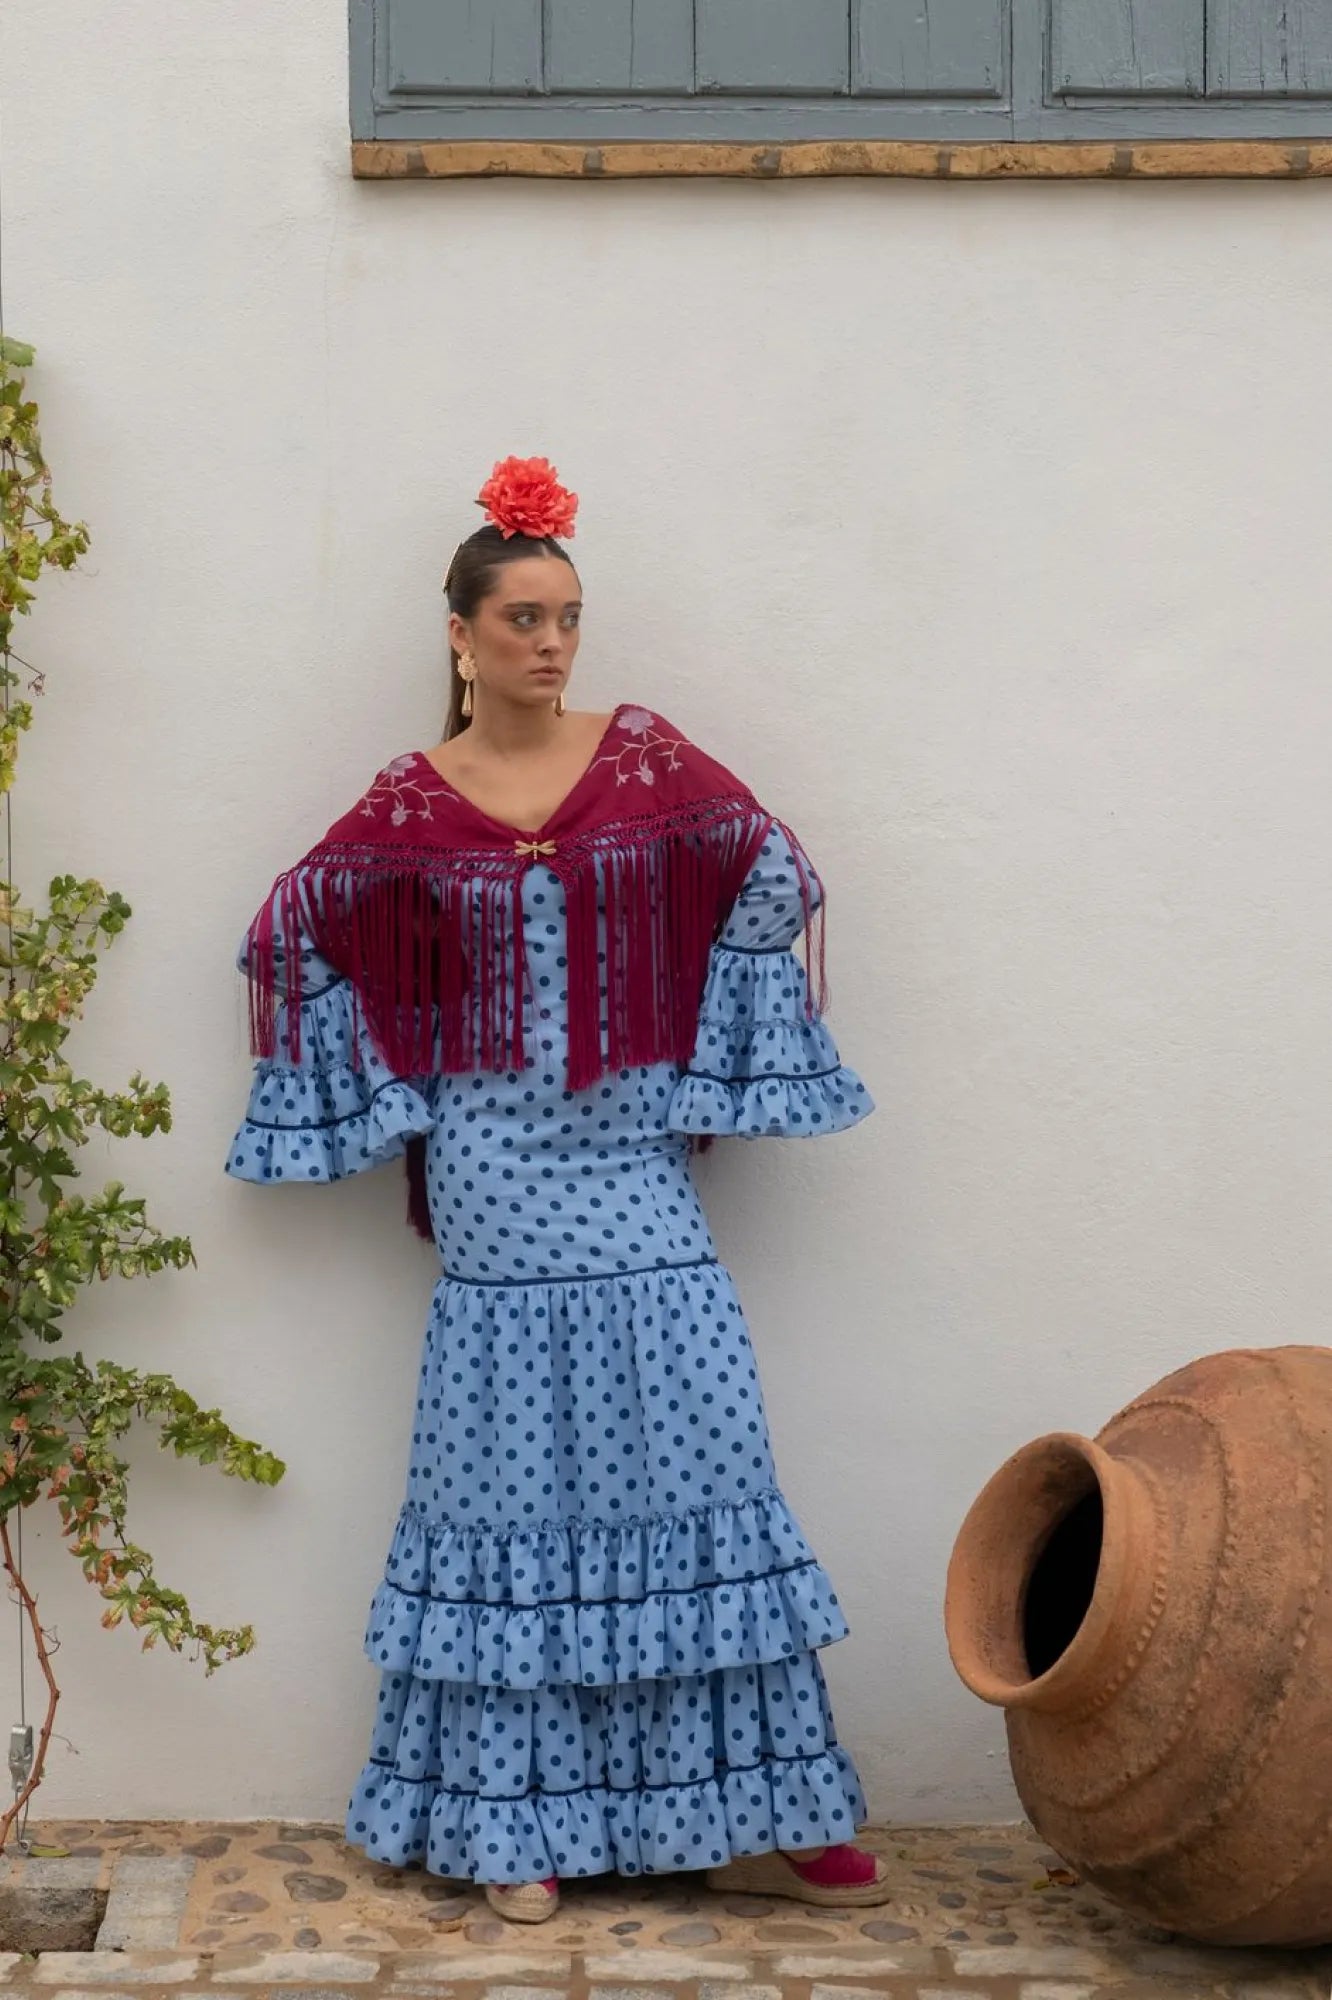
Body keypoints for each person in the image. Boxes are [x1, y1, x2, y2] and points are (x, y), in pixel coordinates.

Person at [226, 457, 887, 1923]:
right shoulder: (408, 804)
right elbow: (294, 936)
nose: (552, 643)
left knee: (700, 1457)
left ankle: (764, 1802)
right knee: (510, 1485)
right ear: (459, 635)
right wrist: (409, 1074)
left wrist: (688, 1045)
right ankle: (512, 1818)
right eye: (523, 617)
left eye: (569, 617)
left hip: (634, 1168)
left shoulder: (647, 761)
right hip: (496, 1180)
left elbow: (771, 878)